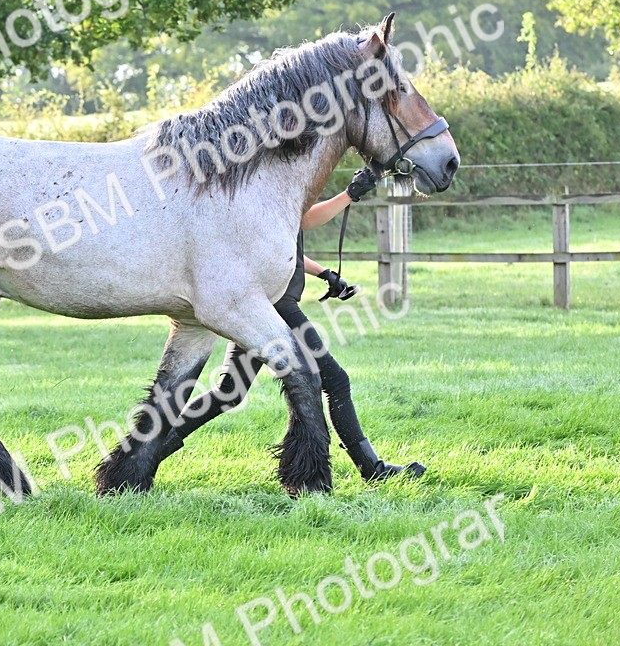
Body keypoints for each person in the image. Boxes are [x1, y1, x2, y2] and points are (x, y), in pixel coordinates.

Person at [161, 166, 425, 481]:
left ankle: (150, 451)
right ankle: (372, 469)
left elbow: (295, 238)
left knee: (229, 392)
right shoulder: (266, 187)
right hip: (277, 307)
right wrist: (349, 195)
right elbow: (306, 219)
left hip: (258, 306)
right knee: (335, 380)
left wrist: (323, 273)